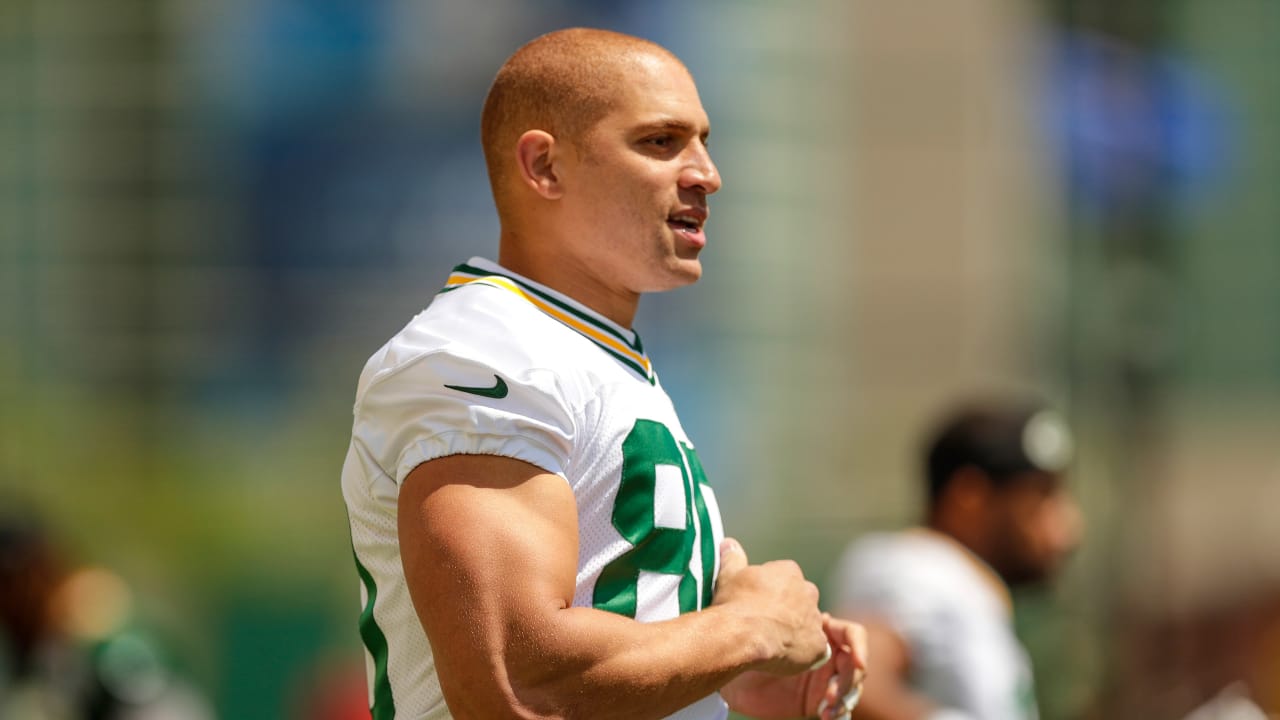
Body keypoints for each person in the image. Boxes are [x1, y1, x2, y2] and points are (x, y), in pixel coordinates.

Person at [341, 27, 867, 720]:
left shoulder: (591, 357)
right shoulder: (482, 350)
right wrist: (749, 628)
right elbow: (516, 685)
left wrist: (737, 677)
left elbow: (612, 650)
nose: (706, 174)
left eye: (704, 142)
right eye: (661, 141)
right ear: (544, 166)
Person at [828, 400, 1082, 720]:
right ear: (969, 497)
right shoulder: (914, 569)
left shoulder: (967, 586)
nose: (1069, 529)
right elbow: (855, 684)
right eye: (1042, 496)